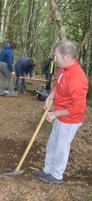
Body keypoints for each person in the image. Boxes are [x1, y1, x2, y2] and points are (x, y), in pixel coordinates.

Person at [34, 40, 88, 184]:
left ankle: (56, 176)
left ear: (66, 57)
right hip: (60, 114)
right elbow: (59, 86)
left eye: (56, 55)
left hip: (70, 120)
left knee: (61, 148)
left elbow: (78, 108)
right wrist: (50, 97)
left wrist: (55, 114)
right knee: (52, 144)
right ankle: (47, 171)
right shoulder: (63, 69)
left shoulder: (77, 78)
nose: (54, 57)